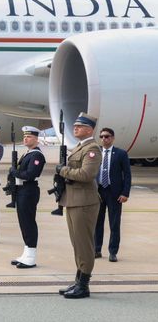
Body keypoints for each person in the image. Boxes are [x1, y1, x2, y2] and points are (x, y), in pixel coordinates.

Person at [56, 112, 102, 299]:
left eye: (80, 126)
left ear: (89, 129)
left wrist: (63, 170)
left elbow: (86, 175)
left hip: (84, 202)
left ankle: (84, 285)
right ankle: (78, 280)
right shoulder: (79, 147)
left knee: (84, 244)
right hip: (73, 201)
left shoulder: (92, 149)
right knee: (77, 243)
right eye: (75, 125)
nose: (75, 128)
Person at [9, 126, 46, 268]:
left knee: (29, 222)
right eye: (24, 136)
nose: (25, 138)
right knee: (23, 223)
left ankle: (31, 256)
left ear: (36, 139)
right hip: (22, 190)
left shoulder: (37, 155)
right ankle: (26, 253)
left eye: (29, 137)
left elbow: (31, 174)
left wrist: (15, 172)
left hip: (29, 191)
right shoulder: (28, 153)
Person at [94, 127, 131, 263]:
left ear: (113, 138)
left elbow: (127, 174)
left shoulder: (121, 153)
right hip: (98, 192)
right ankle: (97, 249)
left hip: (114, 193)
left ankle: (113, 252)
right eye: (102, 136)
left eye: (107, 136)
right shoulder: (96, 152)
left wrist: (125, 193)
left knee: (114, 224)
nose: (104, 139)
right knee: (98, 222)